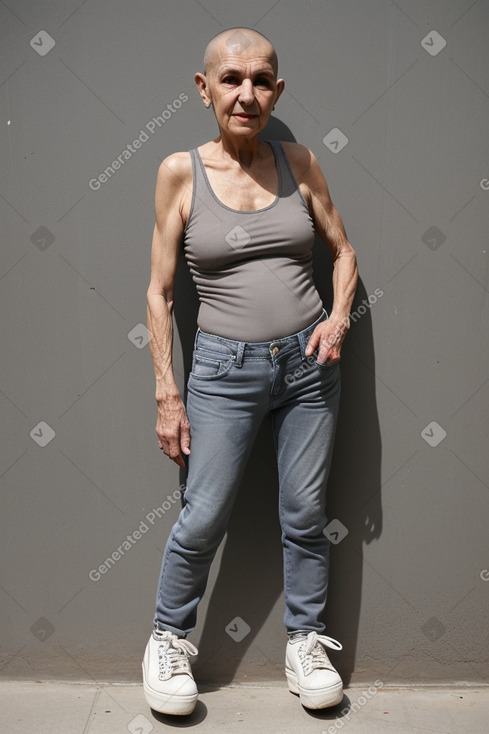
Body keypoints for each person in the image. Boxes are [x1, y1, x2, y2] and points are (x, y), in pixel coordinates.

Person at [143, 27, 358, 716]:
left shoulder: (299, 161)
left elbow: (344, 251)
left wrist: (338, 315)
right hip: (222, 370)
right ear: (203, 89)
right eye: (231, 79)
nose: (247, 94)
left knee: (303, 513)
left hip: (307, 365)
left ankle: (305, 639)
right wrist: (166, 392)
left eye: (261, 80)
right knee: (202, 515)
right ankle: (168, 641)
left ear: (277, 91)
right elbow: (159, 292)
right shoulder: (180, 171)